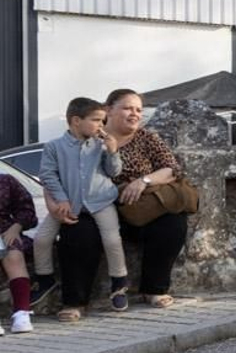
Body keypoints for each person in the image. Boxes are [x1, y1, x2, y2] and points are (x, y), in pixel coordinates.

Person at [33, 97, 128, 320]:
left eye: (102, 121)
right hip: (69, 204)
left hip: (101, 201)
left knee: (112, 240)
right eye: (96, 120)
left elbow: (114, 173)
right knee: (41, 239)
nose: (101, 126)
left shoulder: (100, 144)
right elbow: (48, 175)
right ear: (76, 121)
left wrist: (113, 151)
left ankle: (119, 281)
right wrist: (61, 200)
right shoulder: (54, 146)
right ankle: (45, 278)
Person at [103, 89, 193, 308]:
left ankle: (154, 289)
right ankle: (75, 302)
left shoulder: (146, 138)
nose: (134, 114)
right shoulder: (93, 140)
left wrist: (143, 181)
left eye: (138, 110)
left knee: (173, 225)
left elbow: (172, 170)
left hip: (142, 208)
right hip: (105, 208)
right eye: (127, 108)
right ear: (109, 110)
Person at [2, 170, 37, 334]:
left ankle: (21, 312)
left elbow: (26, 208)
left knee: (13, 254)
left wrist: (16, 228)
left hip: (4, 231)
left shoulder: (6, 181)